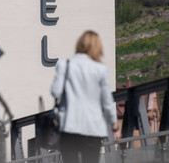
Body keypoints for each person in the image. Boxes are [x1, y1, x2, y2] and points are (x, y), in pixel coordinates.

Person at [50, 30, 121, 163]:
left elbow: (56, 92)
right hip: (93, 128)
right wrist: (115, 127)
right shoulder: (100, 69)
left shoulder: (64, 65)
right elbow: (107, 102)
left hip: (69, 126)